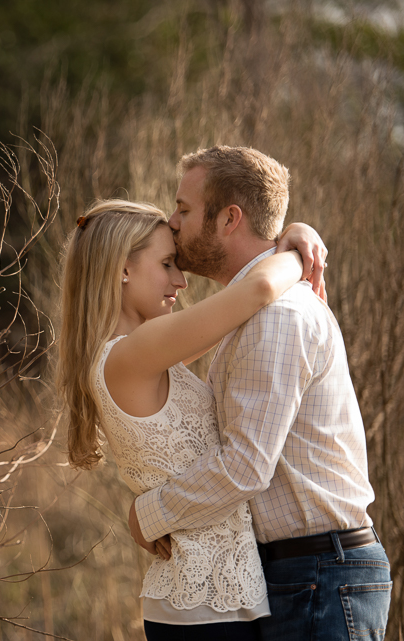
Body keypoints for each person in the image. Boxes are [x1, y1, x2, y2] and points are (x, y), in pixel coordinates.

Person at [128, 146, 392, 640]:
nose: (173, 220)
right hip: (301, 575)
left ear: (230, 218)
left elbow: (245, 464)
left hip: (320, 575)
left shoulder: (277, 317)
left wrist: (150, 515)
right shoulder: (249, 313)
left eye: (184, 208)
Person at [58, 198, 324, 640]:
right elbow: (257, 290)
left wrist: (291, 234)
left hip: (208, 602)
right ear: (123, 269)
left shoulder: (142, 352)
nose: (181, 280)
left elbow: (242, 306)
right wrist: (299, 248)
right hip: (202, 609)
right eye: (167, 264)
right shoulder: (135, 352)